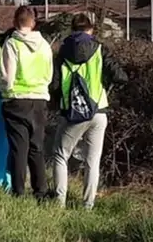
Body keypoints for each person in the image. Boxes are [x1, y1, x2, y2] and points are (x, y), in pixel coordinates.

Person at [49, 13, 128, 209]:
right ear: (91, 29)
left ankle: (59, 202)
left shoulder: (62, 52)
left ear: (72, 29)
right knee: (92, 160)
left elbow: (55, 85)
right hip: (98, 110)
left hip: (72, 113)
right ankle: (88, 205)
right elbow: (121, 76)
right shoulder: (100, 49)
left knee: (60, 154)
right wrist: (104, 83)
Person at [0, 6, 53, 199]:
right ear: (33, 23)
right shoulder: (45, 45)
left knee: (19, 149)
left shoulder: (12, 44)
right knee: (37, 147)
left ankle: (18, 191)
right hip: (39, 99)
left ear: (14, 22)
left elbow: (7, 77)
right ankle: (41, 191)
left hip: (17, 101)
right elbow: (49, 74)